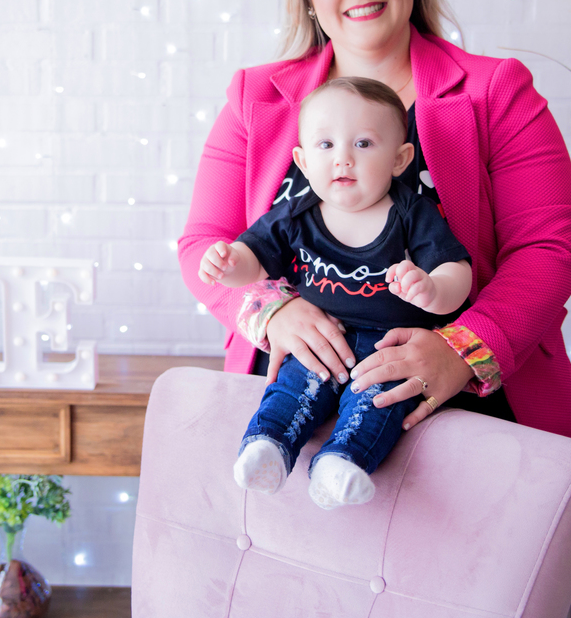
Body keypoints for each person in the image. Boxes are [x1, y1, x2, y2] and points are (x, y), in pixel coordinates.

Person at [178, 0, 571, 442]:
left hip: (460, 410)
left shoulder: (497, 92)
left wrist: (459, 352)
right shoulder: (258, 97)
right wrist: (271, 313)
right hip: (294, 399)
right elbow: (202, 244)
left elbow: (545, 251)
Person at [199, 77, 472, 508]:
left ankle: (341, 462)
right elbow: (254, 257)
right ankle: (267, 447)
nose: (343, 158)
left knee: (378, 404)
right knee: (292, 389)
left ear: (400, 159)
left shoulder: (410, 212)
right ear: (303, 161)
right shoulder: (296, 213)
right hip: (321, 339)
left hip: (390, 346)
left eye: (363, 144)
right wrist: (230, 263)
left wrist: (434, 288)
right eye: (325, 145)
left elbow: (456, 271)